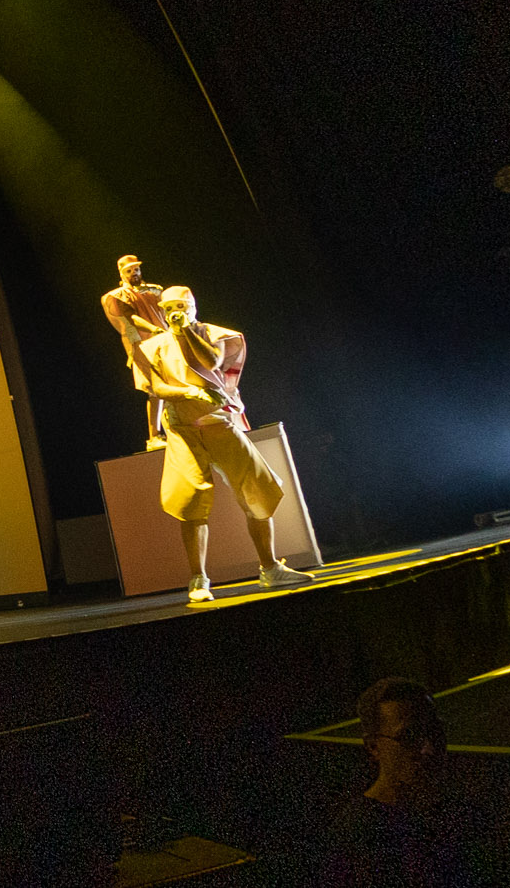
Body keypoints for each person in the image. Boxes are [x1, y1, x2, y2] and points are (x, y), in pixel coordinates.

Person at [137, 284, 313, 602]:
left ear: (193, 307)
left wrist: (186, 331)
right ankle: (198, 579)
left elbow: (211, 362)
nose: (175, 312)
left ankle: (270, 568)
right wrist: (189, 393)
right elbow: (157, 389)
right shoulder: (153, 347)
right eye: (169, 309)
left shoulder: (214, 334)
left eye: (181, 306)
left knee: (258, 490)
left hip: (218, 423)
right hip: (182, 429)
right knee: (190, 500)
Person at [318, 677, 472, 886]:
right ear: (373, 747)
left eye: (435, 732)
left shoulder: (447, 815)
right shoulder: (363, 834)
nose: (428, 749)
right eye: (409, 736)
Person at [100, 254, 168, 444]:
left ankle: (173, 429)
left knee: (172, 384)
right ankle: (154, 436)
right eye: (129, 270)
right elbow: (132, 318)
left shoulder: (154, 290)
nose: (134, 273)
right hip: (142, 343)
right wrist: (153, 329)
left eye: (136, 269)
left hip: (164, 340)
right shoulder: (118, 296)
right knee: (156, 389)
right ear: (122, 273)